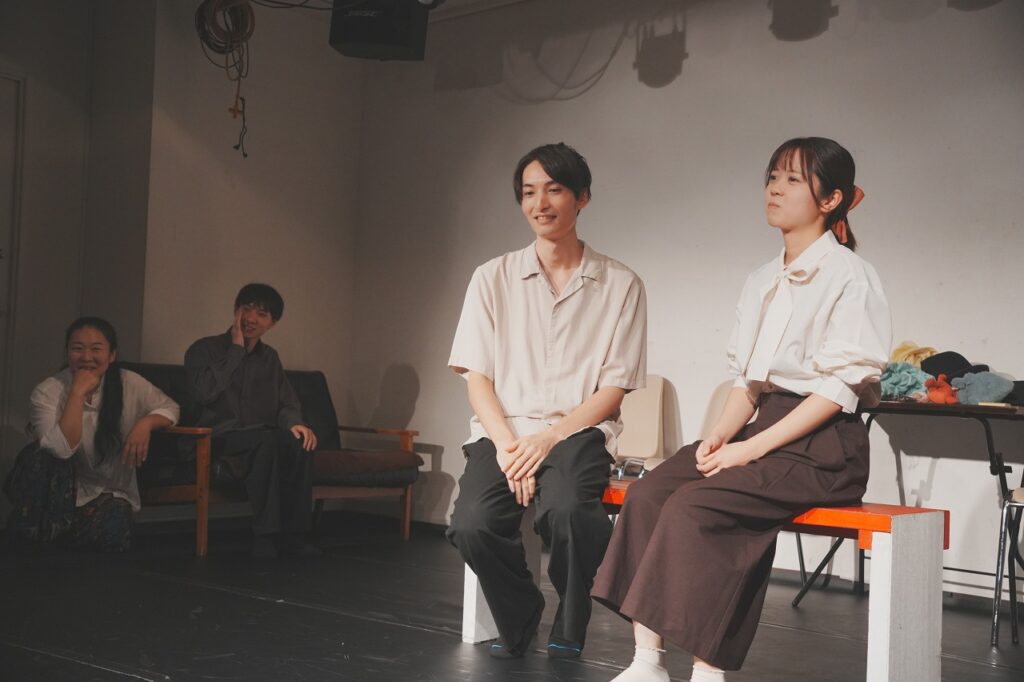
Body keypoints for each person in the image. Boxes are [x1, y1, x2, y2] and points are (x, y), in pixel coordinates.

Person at [592, 137, 892, 682]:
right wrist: (719, 438)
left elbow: (837, 391)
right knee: (649, 493)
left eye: (793, 179)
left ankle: (708, 671)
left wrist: (748, 450)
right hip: (764, 430)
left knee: (699, 505)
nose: (775, 188)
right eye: (773, 177)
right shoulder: (762, 280)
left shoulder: (851, 275)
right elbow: (748, 385)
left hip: (824, 447)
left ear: (831, 200)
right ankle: (647, 662)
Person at [446, 142, 647, 660]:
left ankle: (571, 621)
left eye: (554, 190)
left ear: (582, 197)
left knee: (569, 513)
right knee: (471, 523)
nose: (540, 203)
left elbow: (615, 388)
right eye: (528, 192)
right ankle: (520, 613)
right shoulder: (491, 277)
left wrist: (549, 438)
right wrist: (510, 446)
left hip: (577, 431)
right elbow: (476, 377)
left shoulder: (621, 284)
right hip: (503, 431)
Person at [8, 317, 179, 552]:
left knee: (114, 529)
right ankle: (43, 533)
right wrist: (77, 394)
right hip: (55, 490)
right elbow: (60, 450)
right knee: (40, 455)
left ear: (111, 355)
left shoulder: (129, 383)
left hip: (106, 492)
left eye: (96, 349)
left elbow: (170, 408)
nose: (86, 357)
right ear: (67, 353)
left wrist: (146, 423)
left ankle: (60, 536)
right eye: (78, 348)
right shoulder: (48, 391)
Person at [184, 283, 319, 559]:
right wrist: (235, 351)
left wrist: (295, 423)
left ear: (272, 323)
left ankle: (294, 535)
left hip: (258, 436)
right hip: (215, 438)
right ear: (236, 311)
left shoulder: (270, 358)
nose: (252, 318)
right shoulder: (204, 349)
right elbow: (204, 392)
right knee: (265, 440)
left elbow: (286, 403)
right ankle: (265, 537)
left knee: (300, 443)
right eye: (247, 309)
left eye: (262, 314)